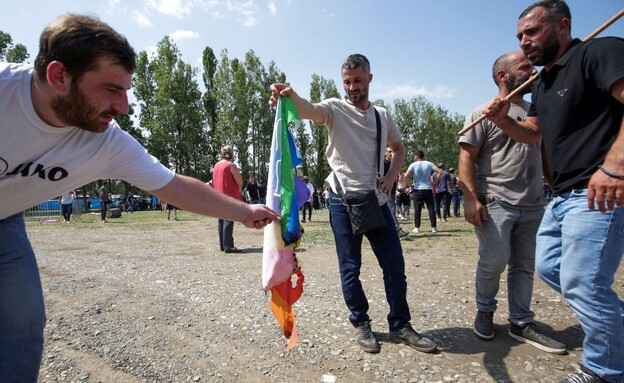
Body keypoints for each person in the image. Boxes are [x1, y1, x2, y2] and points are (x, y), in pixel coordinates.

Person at [0, 14, 278, 383]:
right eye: (111, 89)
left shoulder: (104, 140)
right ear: (59, 76)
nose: (125, 106)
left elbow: (173, 186)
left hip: (6, 220)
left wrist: (244, 211)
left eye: (126, 90)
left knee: (21, 327)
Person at [483, 1, 624, 381]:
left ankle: (604, 370)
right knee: (550, 268)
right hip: (562, 197)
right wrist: (503, 120)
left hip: (599, 192)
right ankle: (614, 327)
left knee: (584, 284)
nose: (525, 42)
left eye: (532, 32)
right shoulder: (543, 82)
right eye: (519, 37)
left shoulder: (599, 51)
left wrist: (615, 166)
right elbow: (532, 133)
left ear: (562, 25)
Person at [270, 53, 437, 355]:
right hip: (341, 200)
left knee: (395, 266)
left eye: (358, 80)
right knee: (350, 268)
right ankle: (361, 323)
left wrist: (391, 175)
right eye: (347, 81)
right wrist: (289, 96)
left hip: (377, 200)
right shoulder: (334, 109)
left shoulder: (382, 115)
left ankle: (400, 324)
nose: (352, 87)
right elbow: (307, 110)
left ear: (370, 79)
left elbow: (398, 148)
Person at [459, 50, 566, 355]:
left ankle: (521, 321)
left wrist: (556, 189)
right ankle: (485, 311)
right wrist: (470, 199)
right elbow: (467, 156)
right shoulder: (482, 112)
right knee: (494, 260)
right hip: (496, 201)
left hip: (533, 203)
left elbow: (542, 154)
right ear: (503, 76)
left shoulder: (536, 111)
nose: (534, 70)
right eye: (526, 66)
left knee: (524, 266)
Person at [212, 146, 245, 253]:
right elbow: (240, 182)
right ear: (231, 154)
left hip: (218, 196)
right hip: (229, 196)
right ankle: (229, 246)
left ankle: (223, 245)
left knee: (221, 220)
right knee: (229, 220)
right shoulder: (231, 165)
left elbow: (213, 181)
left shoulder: (216, 166)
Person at [405, 150, 442, 233]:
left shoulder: (413, 165)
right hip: (428, 188)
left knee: (417, 209)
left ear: (417, 156)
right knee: (431, 208)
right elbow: (440, 171)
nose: (414, 157)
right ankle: (434, 227)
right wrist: (434, 182)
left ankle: (417, 228)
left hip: (417, 189)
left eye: (414, 156)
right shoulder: (429, 163)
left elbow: (406, 176)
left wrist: (410, 185)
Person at [384, 147, 408, 238]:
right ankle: (397, 230)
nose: (391, 153)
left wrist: (396, 188)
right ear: (385, 153)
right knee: (392, 209)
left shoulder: (394, 164)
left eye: (392, 152)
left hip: (393, 190)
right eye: (389, 152)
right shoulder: (383, 163)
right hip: (385, 191)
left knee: (390, 210)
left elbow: (398, 176)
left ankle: (390, 231)